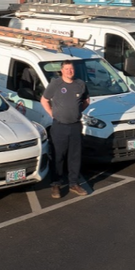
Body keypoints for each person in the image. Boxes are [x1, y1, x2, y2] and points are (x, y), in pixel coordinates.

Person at [42, 60, 91, 196]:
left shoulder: (80, 84)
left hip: (75, 126)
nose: (70, 71)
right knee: (58, 156)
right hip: (59, 126)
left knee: (75, 156)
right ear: (62, 70)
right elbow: (44, 100)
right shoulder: (56, 84)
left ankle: (74, 184)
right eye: (67, 69)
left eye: (71, 69)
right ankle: (56, 185)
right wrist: (52, 113)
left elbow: (86, 100)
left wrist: (76, 111)